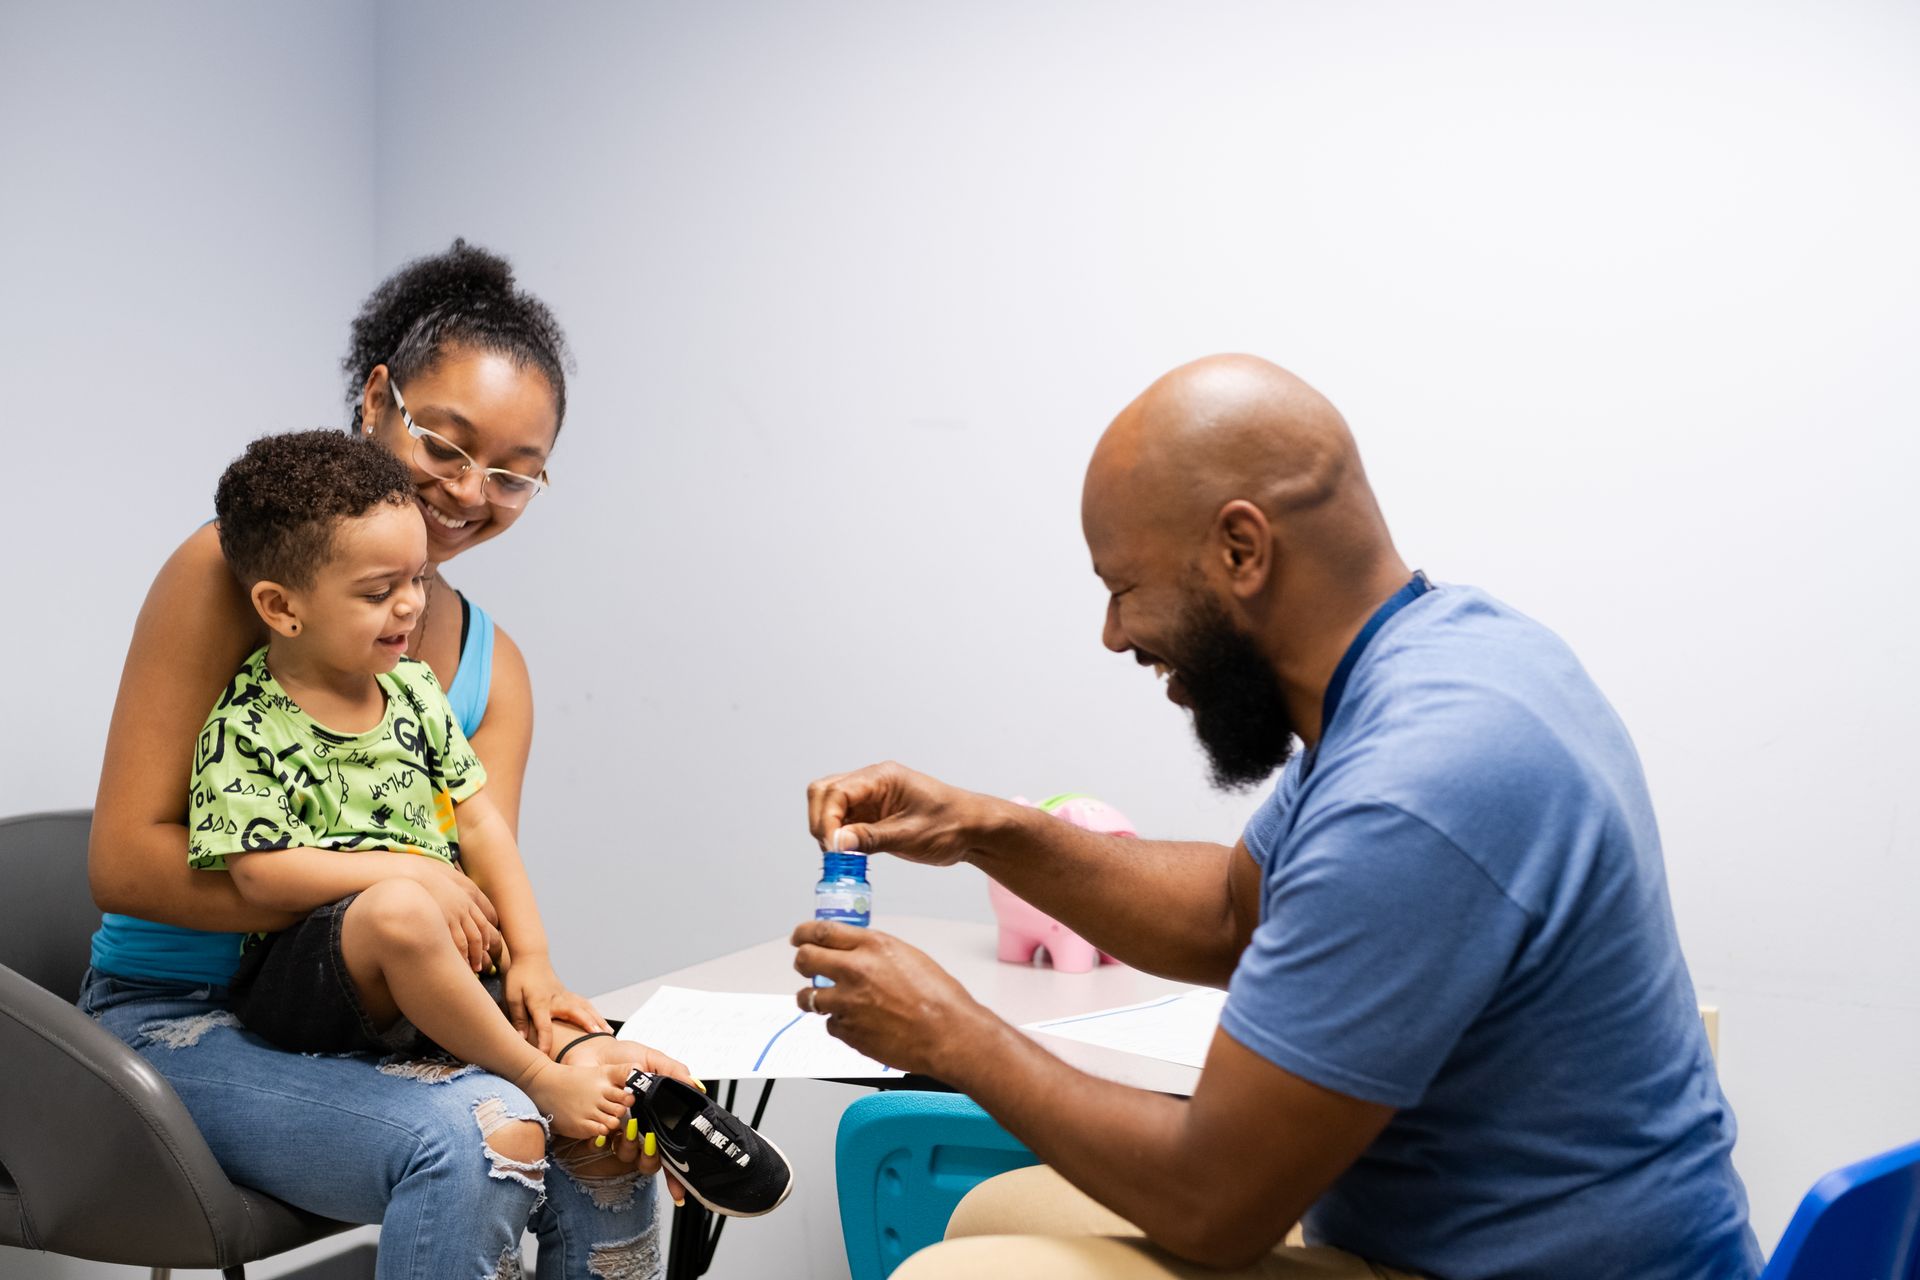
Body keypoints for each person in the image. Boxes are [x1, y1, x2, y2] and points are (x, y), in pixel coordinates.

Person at [794, 355, 1763, 1280]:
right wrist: (982, 827)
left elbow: (1215, 1200)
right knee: (984, 1218)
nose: (1115, 635)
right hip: (1479, 1238)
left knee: (955, 1272)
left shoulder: (1416, 787)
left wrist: (947, 1031)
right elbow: (1229, 909)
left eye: (1124, 588)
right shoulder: (1443, 661)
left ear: (1241, 549)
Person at [85, 241, 678, 1279]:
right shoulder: (230, 574)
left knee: (607, 1138)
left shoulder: (498, 672)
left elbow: (470, 919)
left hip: (371, 1019)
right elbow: (126, 864)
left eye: (512, 474)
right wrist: (395, 878)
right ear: (377, 399)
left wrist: (578, 1049)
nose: (467, 491)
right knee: (477, 1135)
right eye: (446, 444)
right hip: (176, 1021)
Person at [192, 429, 634, 1136]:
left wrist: (533, 958)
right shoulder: (247, 725)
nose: (409, 607)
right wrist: (408, 873)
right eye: (377, 591)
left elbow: (481, 824)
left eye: (417, 580)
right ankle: (534, 1079)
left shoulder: (415, 692)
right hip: (303, 981)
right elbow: (259, 877)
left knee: (593, 1046)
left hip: (423, 958)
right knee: (401, 908)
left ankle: (603, 1079)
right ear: (281, 608)